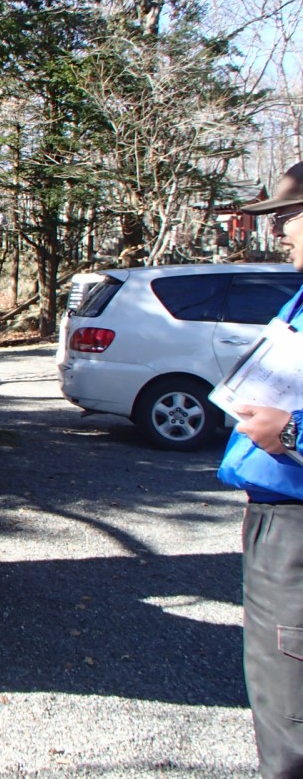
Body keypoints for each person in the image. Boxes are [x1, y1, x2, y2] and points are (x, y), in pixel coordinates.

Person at [220, 160, 303, 778]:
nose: (280, 232)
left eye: (291, 217)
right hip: (275, 520)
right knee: (278, 693)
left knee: (292, 708)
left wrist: (294, 432)